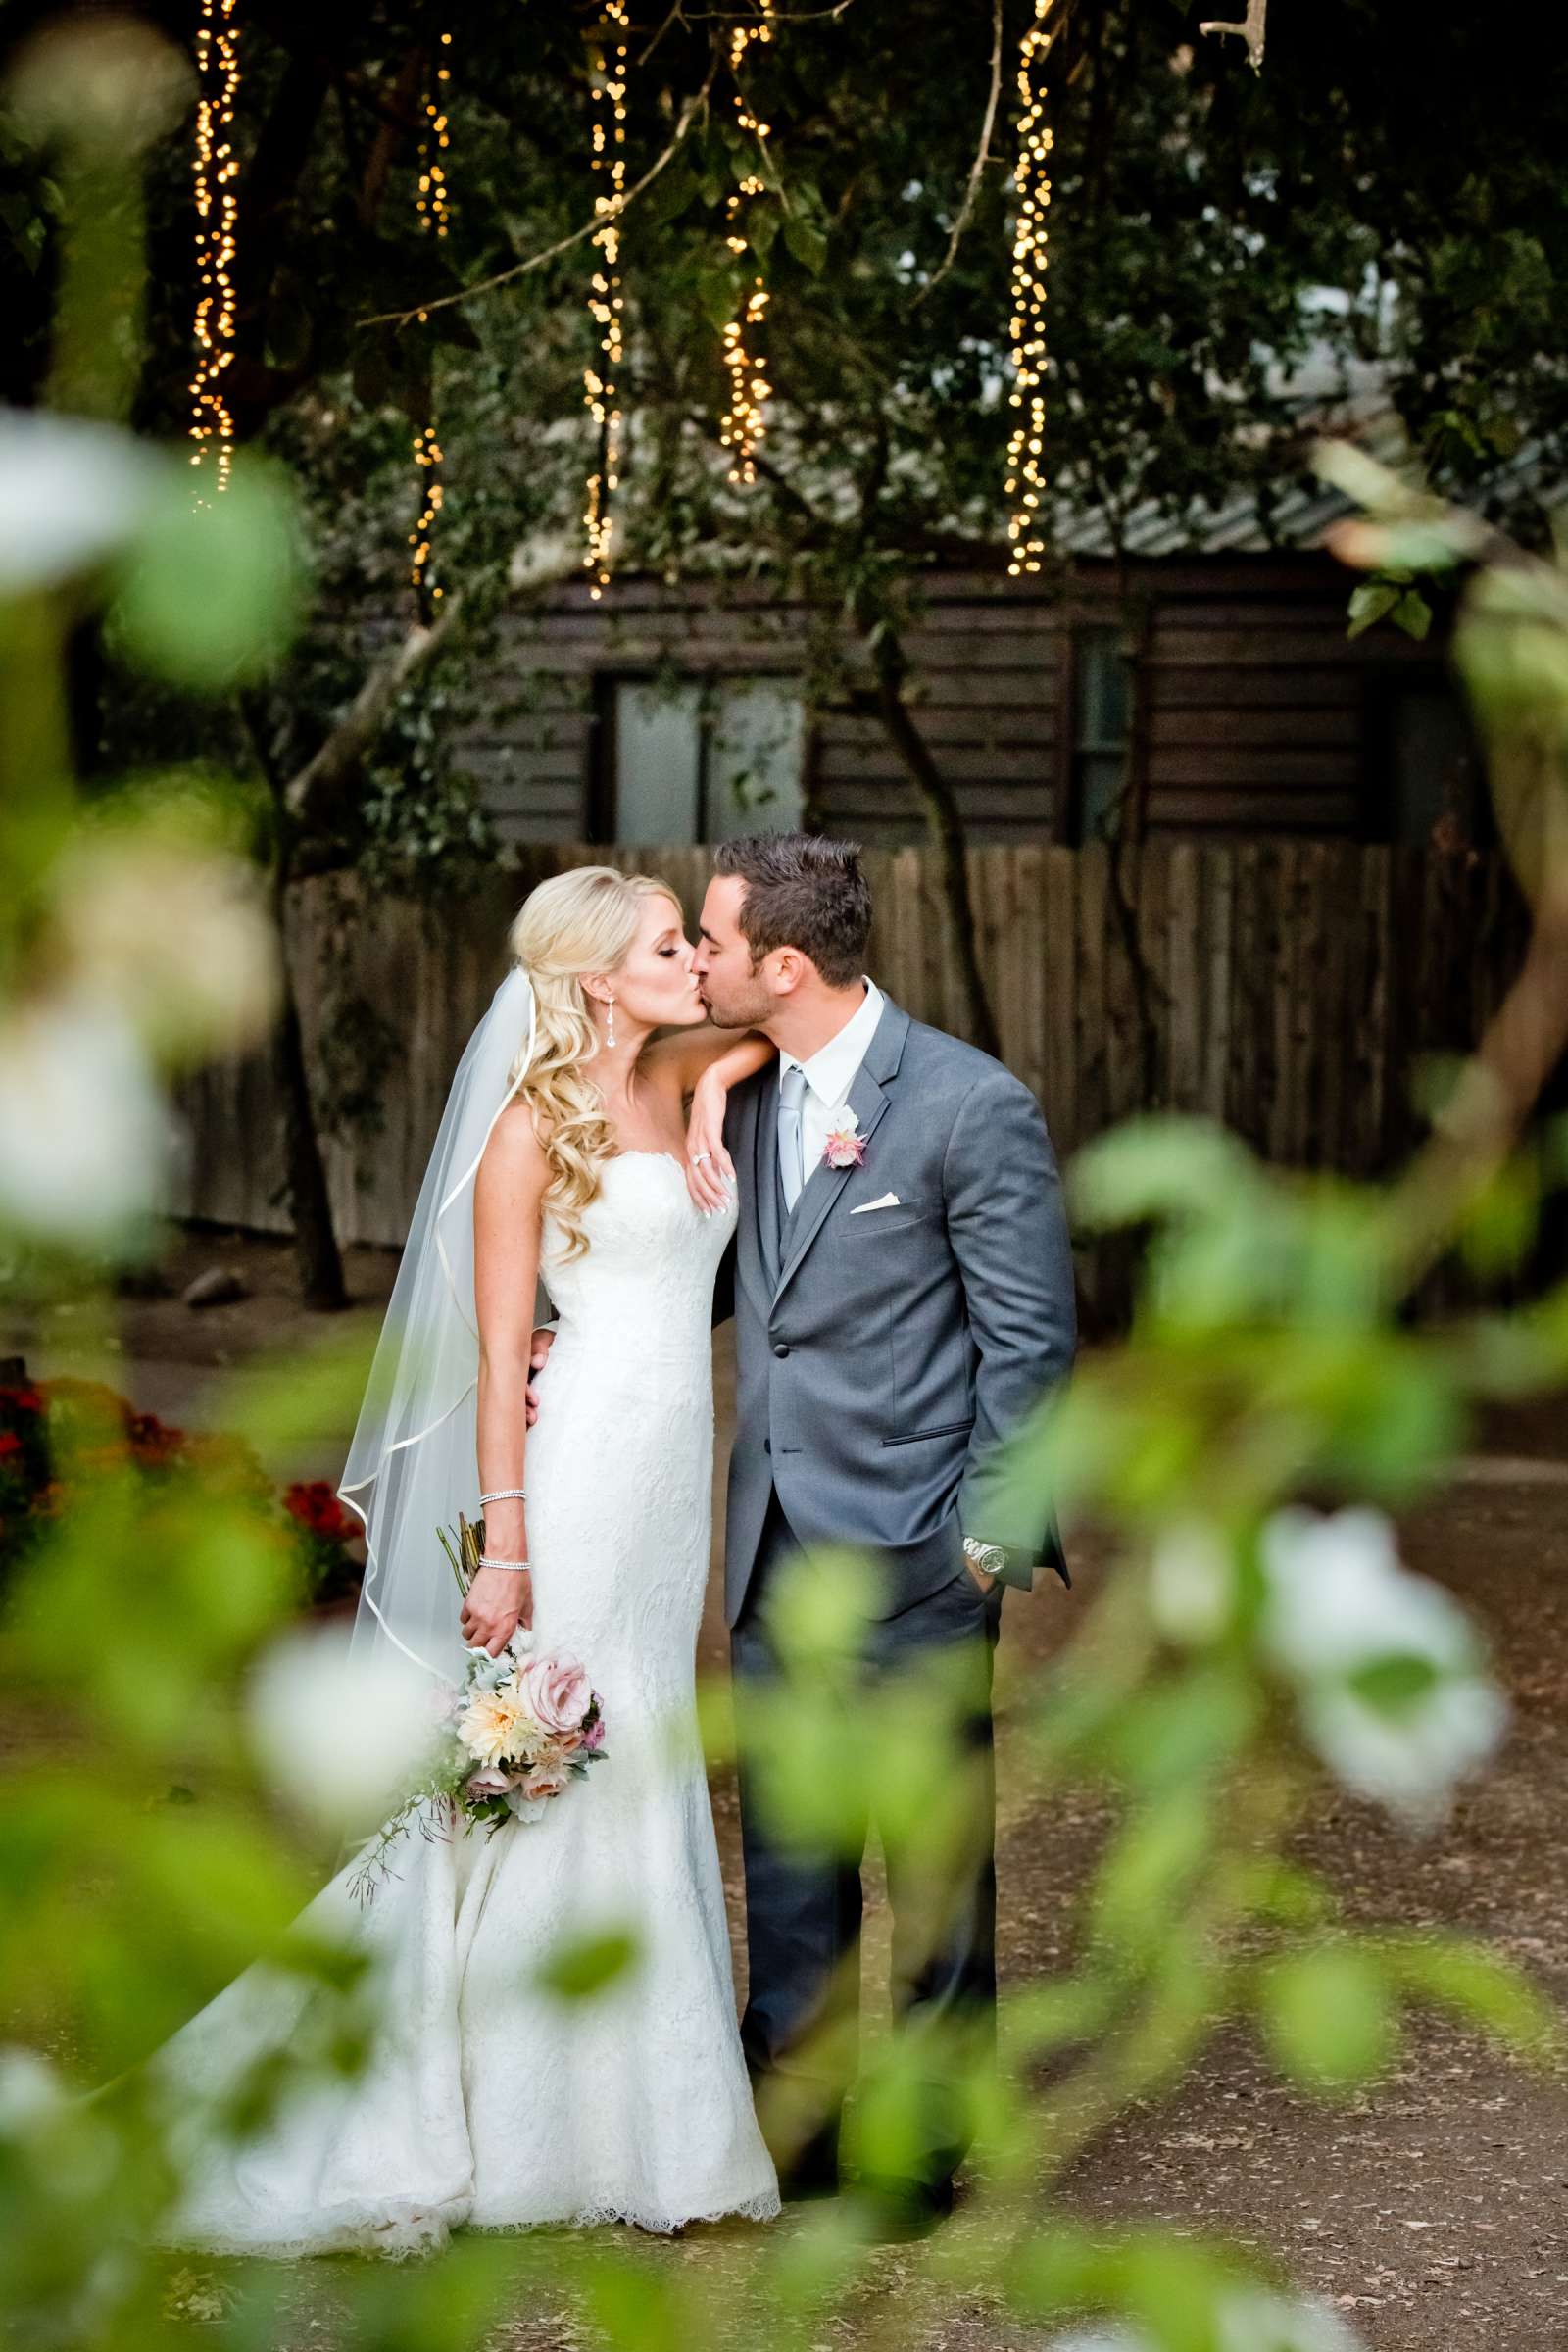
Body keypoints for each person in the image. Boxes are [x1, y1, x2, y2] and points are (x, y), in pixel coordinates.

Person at [148, 866, 781, 2257]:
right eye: (668, 945)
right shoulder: (522, 1134)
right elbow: (501, 1354)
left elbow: (769, 1027)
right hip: (584, 1472)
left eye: (691, 939)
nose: (694, 960)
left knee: (644, 1739)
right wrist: (507, 1544)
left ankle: (618, 2103)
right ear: (597, 975)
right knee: (562, 1753)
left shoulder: (682, 1075)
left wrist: (723, 1092)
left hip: (675, 1471)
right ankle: (507, 2113)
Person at [683, 832, 1076, 2237]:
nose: (697, 962)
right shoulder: (740, 1091)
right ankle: (796, 2131)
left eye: (713, 943)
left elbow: (1030, 1344)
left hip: (917, 1553)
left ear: (782, 964)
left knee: (932, 1865)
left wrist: (988, 1539)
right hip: (776, 1541)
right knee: (790, 1852)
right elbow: (734, 1289)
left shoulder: (973, 1107)